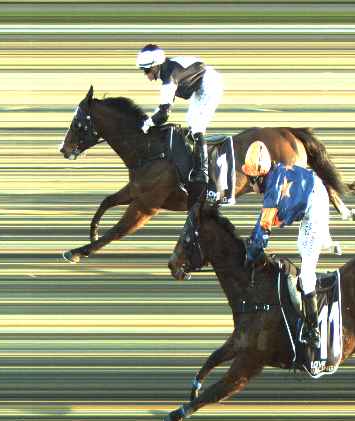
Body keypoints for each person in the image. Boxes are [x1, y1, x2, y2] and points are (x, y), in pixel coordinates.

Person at [245, 161, 339, 377]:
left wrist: (251, 254)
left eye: (250, 180)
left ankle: (313, 330)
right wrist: (253, 240)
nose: (250, 186)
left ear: (259, 177)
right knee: (301, 245)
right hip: (315, 194)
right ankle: (326, 240)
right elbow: (263, 221)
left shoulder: (271, 192)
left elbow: (264, 230)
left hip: (314, 205)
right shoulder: (273, 175)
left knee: (306, 276)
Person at [137, 45, 224, 198]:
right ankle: (196, 161)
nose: (147, 75)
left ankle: (202, 173)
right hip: (202, 82)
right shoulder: (166, 69)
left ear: (156, 66)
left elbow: (164, 113)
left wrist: (147, 124)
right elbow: (163, 107)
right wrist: (149, 121)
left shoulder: (169, 77)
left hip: (210, 83)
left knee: (197, 126)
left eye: (147, 70)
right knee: (190, 120)